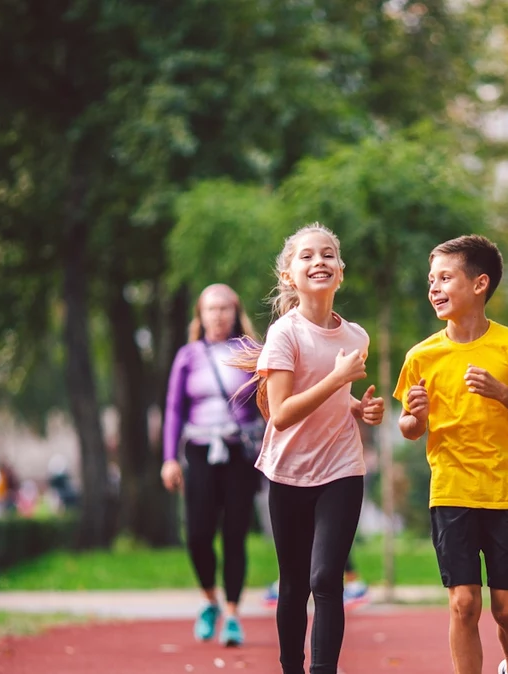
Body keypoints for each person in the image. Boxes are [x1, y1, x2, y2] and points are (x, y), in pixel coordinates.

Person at [394, 234, 508, 674]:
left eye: (445, 277)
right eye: (431, 279)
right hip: (451, 490)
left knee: (506, 611)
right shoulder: (421, 356)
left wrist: (503, 393)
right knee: (464, 605)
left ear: (480, 284)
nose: (434, 287)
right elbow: (408, 427)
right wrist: (417, 417)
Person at [231, 224, 384, 674]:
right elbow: (280, 414)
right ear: (288, 276)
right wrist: (337, 380)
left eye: (329, 254)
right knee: (295, 585)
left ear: (341, 272)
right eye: (307, 256)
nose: (319, 261)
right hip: (288, 472)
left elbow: (337, 399)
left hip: (342, 467)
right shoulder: (285, 334)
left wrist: (360, 409)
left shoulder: (356, 337)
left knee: (325, 579)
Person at [160, 283, 265, 648]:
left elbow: (268, 404)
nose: (218, 315)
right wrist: (169, 458)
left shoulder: (252, 352)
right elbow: (174, 409)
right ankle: (209, 600)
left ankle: (233, 615)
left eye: (225, 308)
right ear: (200, 315)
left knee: (235, 534)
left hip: (239, 454)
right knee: (198, 534)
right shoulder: (188, 356)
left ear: (236, 313)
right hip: (201, 452)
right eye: (211, 309)